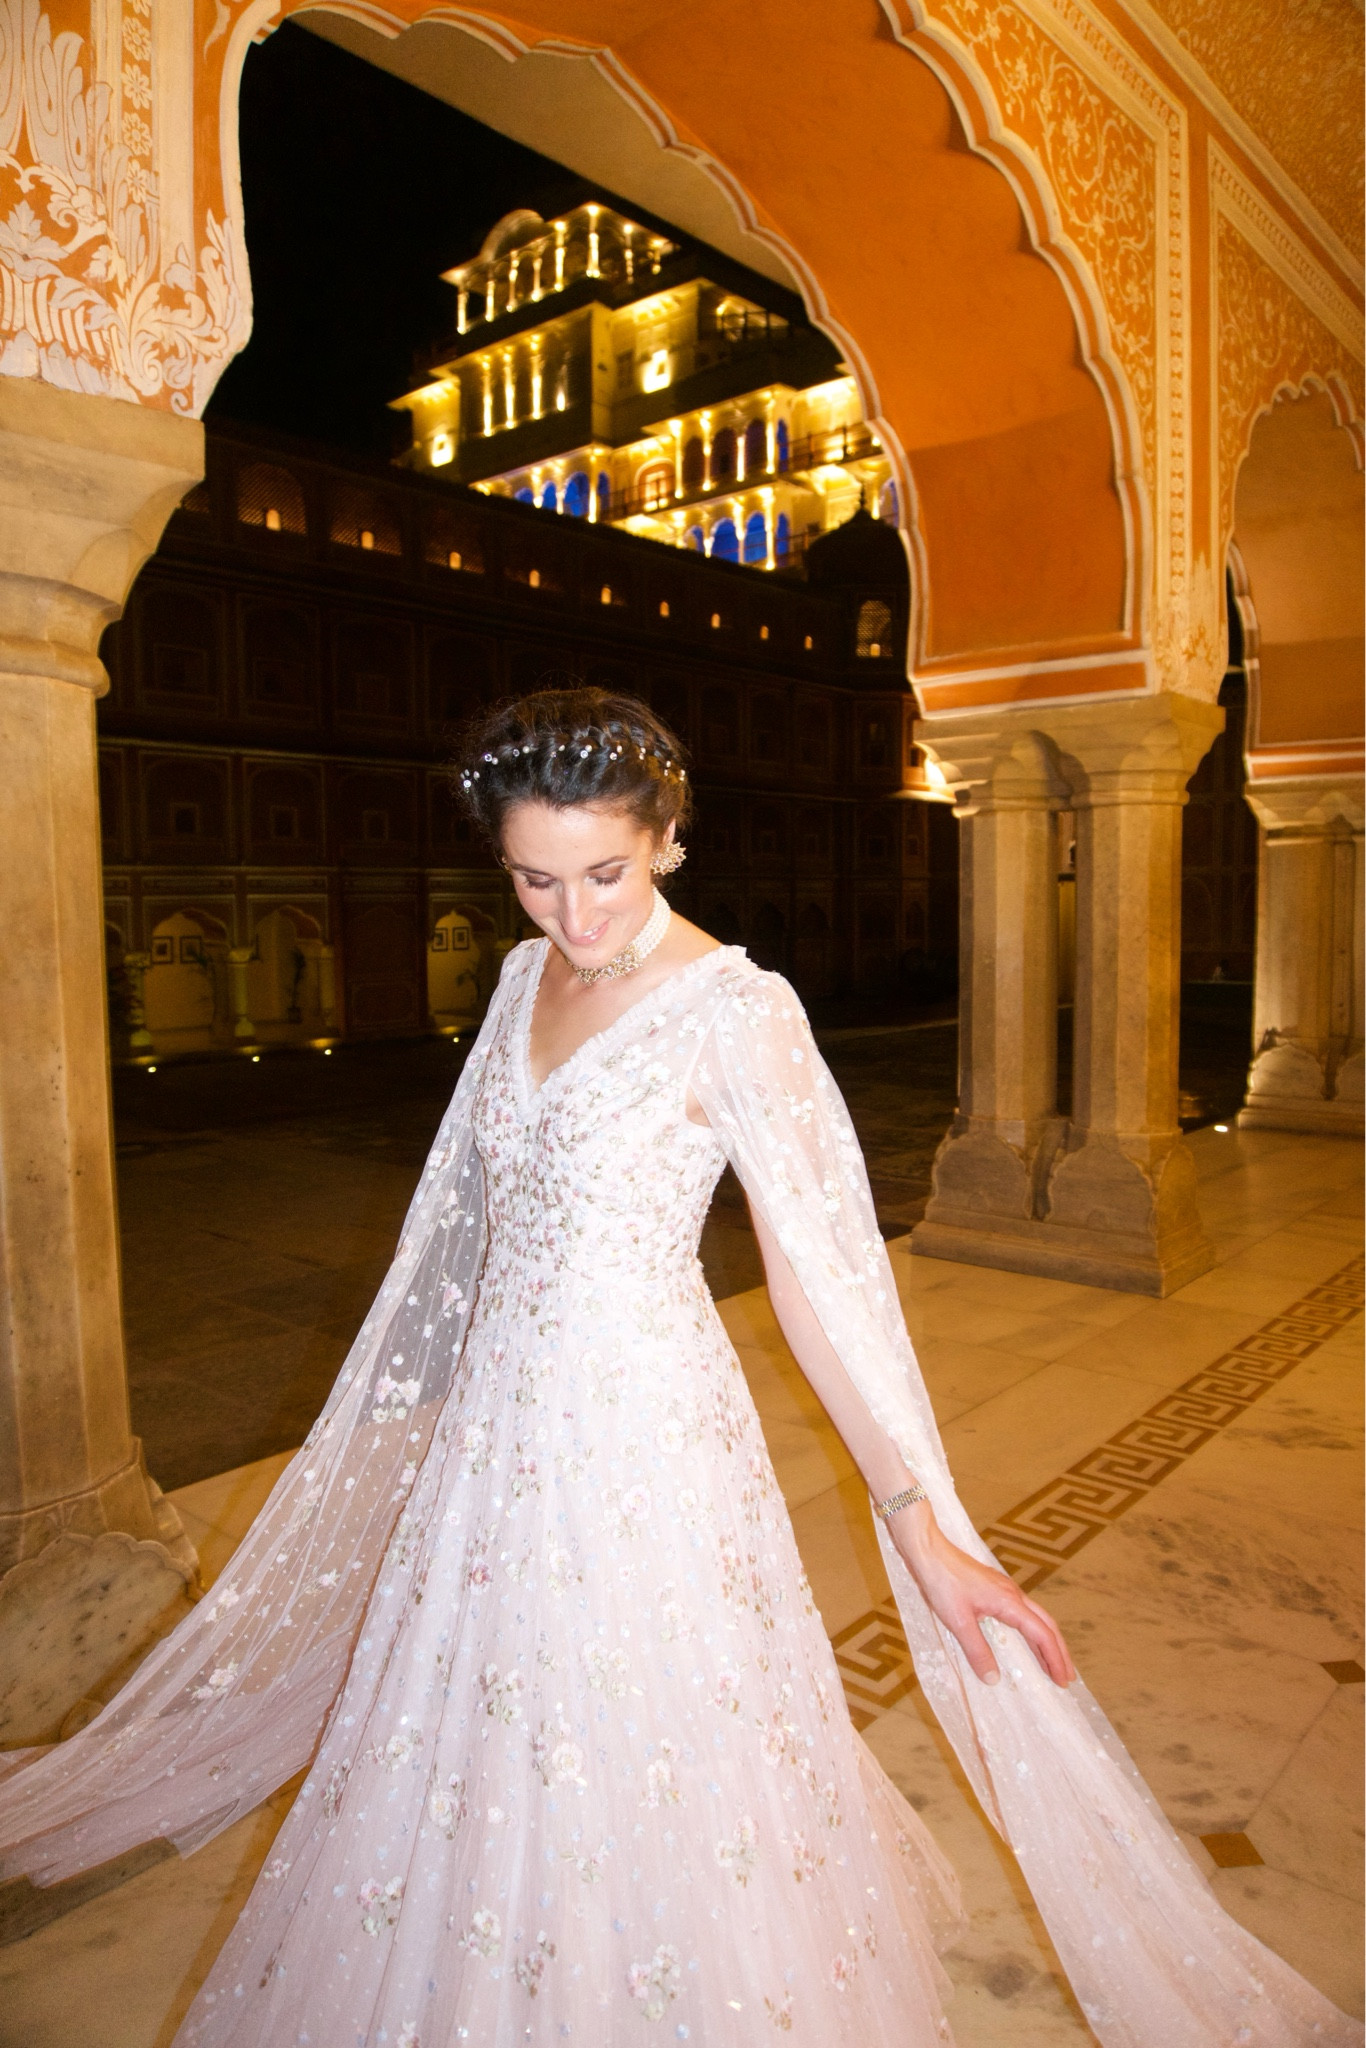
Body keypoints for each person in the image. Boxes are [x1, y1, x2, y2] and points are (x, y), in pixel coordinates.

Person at [0, 689, 1357, 2048]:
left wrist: (918, 1524)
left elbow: (821, 1286)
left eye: (603, 873)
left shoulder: (735, 1011)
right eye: (535, 879)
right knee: (484, 1733)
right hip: (496, 1438)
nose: (573, 915)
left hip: (645, 1436)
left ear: (666, 837)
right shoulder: (523, 976)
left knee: (642, 1736)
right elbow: (474, 1230)